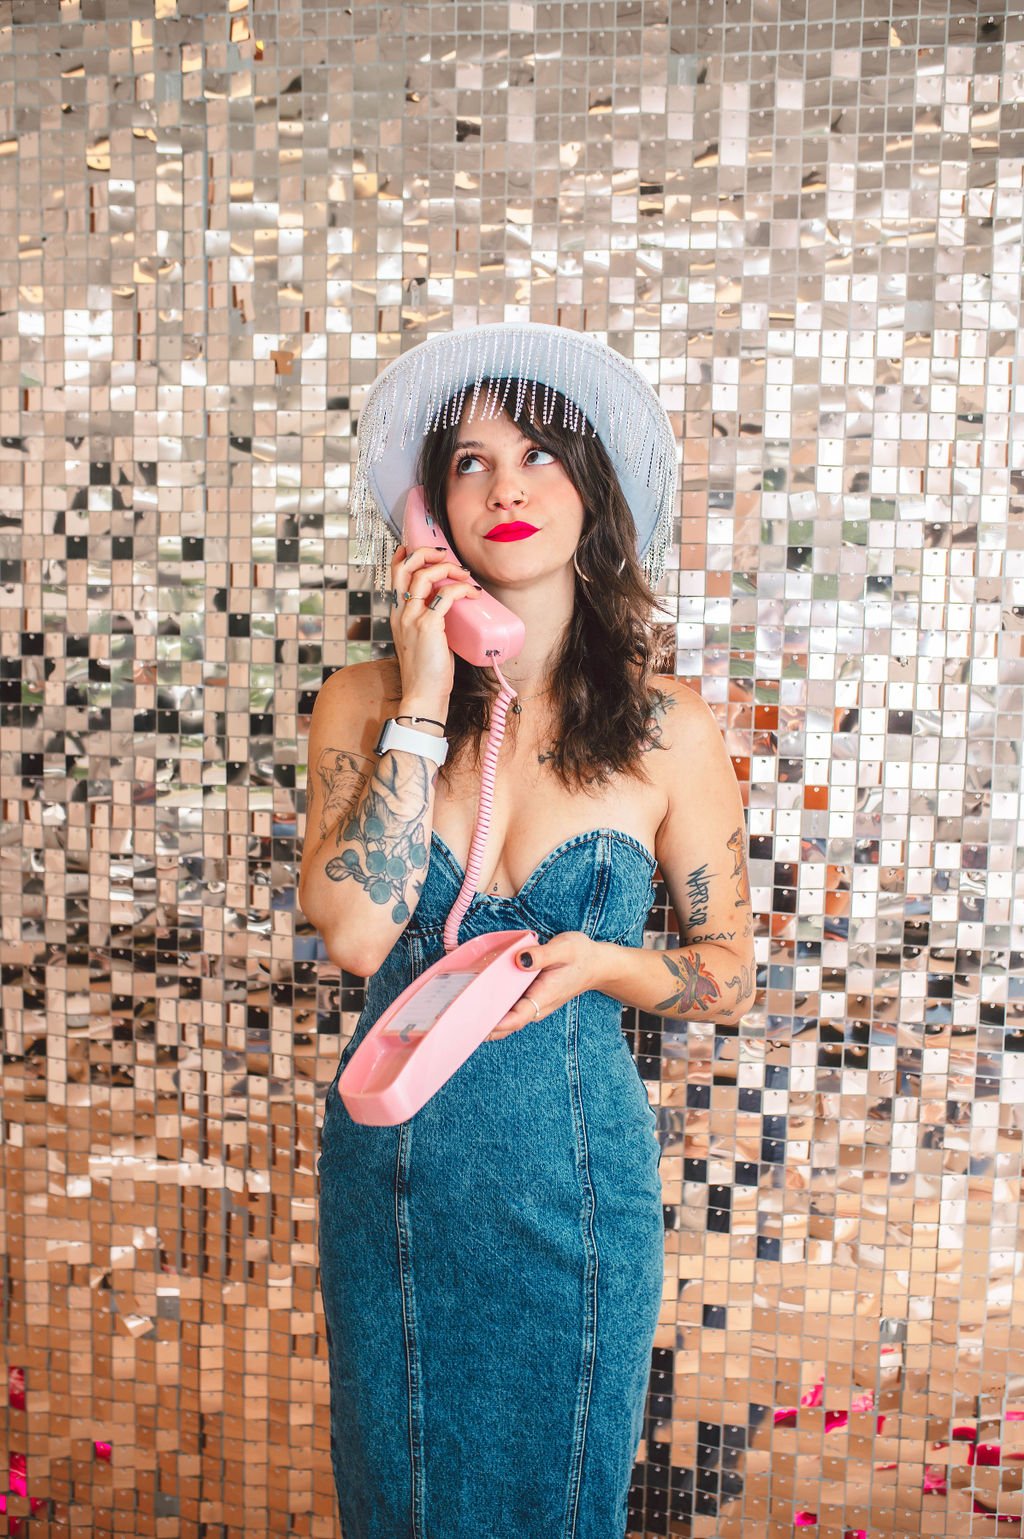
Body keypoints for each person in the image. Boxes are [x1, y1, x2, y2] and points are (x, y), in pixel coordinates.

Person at [299, 322, 756, 1538]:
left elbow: (729, 973)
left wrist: (614, 965)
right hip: (393, 1186)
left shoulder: (668, 728)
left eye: (542, 455)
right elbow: (350, 932)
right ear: (428, 508)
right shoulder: (361, 699)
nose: (505, 486)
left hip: (570, 1186)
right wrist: (425, 697)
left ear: (592, 493)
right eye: (469, 461)